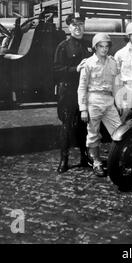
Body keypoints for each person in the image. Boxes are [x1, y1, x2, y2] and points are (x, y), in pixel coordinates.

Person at [78, 33, 122, 177]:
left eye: (106, 46)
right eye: (101, 46)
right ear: (95, 47)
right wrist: (83, 108)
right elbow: (82, 87)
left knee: (119, 130)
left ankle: (118, 159)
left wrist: (119, 102)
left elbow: (116, 85)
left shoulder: (112, 62)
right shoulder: (88, 64)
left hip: (109, 101)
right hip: (93, 100)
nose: (104, 49)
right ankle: (97, 162)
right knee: (93, 134)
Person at [53, 12, 91, 173]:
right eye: (75, 25)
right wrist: (75, 69)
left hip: (86, 91)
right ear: (69, 27)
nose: (78, 28)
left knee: (84, 125)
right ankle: (64, 159)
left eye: (81, 24)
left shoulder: (89, 45)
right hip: (69, 90)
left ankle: (84, 157)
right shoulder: (63, 46)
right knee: (67, 126)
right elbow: (56, 69)